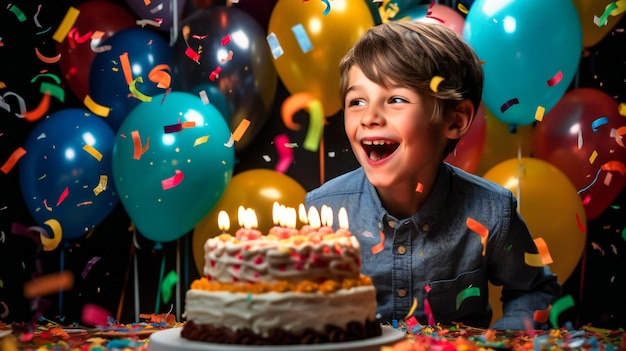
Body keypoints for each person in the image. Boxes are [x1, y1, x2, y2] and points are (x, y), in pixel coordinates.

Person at [305, 21, 561, 330]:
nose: (370, 118)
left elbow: (533, 290)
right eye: (357, 101)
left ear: (455, 120)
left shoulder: (492, 211)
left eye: (396, 99)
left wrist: (498, 341)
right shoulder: (322, 213)